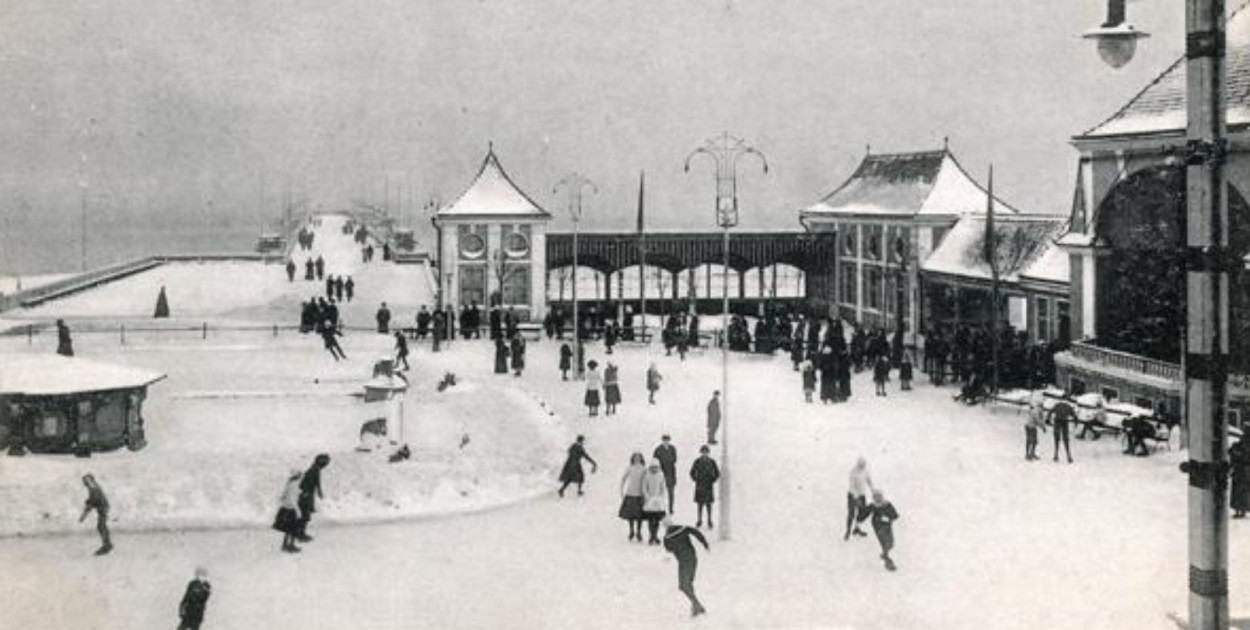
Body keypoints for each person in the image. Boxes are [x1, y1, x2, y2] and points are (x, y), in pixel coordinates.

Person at [661, 516, 710, 617]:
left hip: (683, 562)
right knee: (688, 584)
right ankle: (695, 607)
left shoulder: (667, 538)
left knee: (683, 585)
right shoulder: (683, 529)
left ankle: (697, 605)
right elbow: (697, 533)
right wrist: (705, 544)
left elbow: (668, 550)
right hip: (693, 558)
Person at [296, 454, 330, 542]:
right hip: (306, 495)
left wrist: (319, 491)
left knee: (305, 516)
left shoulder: (315, 469)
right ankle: (300, 534)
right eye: (326, 462)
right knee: (304, 515)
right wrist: (308, 493)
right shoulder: (314, 470)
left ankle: (301, 533)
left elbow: (316, 482)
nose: (326, 465)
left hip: (308, 494)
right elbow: (306, 483)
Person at [865, 490, 900, 571]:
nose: (878, 500)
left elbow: (895, 515)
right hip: (878, 526)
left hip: (887, 525)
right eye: (876, 498)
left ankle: (884, 554)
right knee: (885, 543)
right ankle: (888, 562)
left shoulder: (887, 505)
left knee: (891, 543)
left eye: (879, 498)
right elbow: (864, 514)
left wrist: (888, 519)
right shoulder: (873, 506)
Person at [79, 474, 112, 555]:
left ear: (90, 480)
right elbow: (93, 500)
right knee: (101, 526)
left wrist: (83, 516)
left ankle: (107, 545)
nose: (84, 483)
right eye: (84, 481)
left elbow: (92, 502)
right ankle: (107, 544)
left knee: (101, 526)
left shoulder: (94, 489)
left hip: (103, 508)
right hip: (103, 507)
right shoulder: (94, 488)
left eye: (86, 481)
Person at [689, 445, 720, 528]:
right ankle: (699, 520)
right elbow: (692, 472)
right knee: (700, 505)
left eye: (706, 452)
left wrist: (712, 480)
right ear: (701, 452)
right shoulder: (697, 461)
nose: (704, 454)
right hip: (700, 485)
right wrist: (696, 479)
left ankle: (709, 520)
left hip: (708, 485)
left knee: (709, 505)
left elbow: (717, 473)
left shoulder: (712, 461)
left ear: (708, 453)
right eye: (703, 452)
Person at [619, 452, 647, 542]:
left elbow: (646, 481)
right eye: (635, 458)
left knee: (640, 516)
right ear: (633, 459)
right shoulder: (630, 468)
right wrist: (622, 490)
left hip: (639, 494)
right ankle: (631, 531)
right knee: (630, 515)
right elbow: (623, 479)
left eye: (639, 457)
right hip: (630, 493)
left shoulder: (644, 469)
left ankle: (638, 531)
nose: (637, 459)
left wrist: (646, 493)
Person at [273, 468, 303, 553]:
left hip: (285, 508)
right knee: (293, 529)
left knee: (287, 530)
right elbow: (293, 499)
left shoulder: (289, 483)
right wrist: (298, 511)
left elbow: (284, 496)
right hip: (291, 509)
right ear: (298, 476)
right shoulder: (295, 485)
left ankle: (285, 545)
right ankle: (291, 545)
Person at [844, 457, 873, 540]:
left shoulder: (865, 471)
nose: (862, 466)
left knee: (861, 513)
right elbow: (852, 486)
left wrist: (873, 490)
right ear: (858, 464)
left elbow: (869, 480)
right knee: (851, 514)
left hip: (862, 495)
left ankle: (857, 529)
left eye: (864, 465)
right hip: (852, 496)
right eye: (861, 465)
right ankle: (848, 531)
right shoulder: (853, 472)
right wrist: (856, 498)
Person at [641, 458, 669, 544]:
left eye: (656, 467)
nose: (654, 469)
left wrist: (660, 498)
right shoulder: (647, 475)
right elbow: (644, 488)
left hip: (658, 502)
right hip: (649, 502)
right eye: (652, 467)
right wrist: (648, 498)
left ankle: (655, 535)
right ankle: (651, 535)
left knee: (657, 520)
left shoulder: (661, 475)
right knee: (650, 520)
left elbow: (663, 488)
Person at [1048, 394, 1076, 463]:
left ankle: (1056, 455)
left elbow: (1050, 412)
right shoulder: (1069, 406)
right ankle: (1069, 456)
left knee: (1057, 438)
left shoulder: (1057, 405)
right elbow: (1074, 416)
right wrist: (1075, 422)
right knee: (1066, 439)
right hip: (1064, 422)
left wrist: (1048, 419)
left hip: (1057, 421)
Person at [654, 435, 678, 514]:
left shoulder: (672, 448)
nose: (666, 442)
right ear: (662, 441)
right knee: (659, 492)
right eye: (664, 440)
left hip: (670, 473)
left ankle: (671, 508)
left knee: (671, 493)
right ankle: (660, 508)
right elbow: (655, 462)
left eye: (667, 440)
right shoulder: (658, 449)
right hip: (661, 473)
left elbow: (674, 460)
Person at [1230, 435, 1250, 519]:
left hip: (1241, 472)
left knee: (1239, 492)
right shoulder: (1237, 446)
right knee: (1242, 492)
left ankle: (1240, 511)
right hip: (1243, 472)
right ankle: (1241, 511)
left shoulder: (1237, 446)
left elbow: (1231, 453)